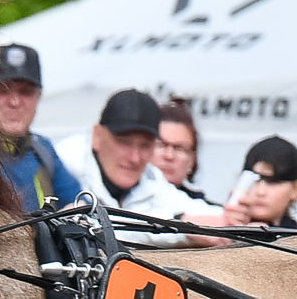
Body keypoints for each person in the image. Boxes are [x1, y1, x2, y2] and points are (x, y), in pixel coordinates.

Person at [57, 89, 230, 240]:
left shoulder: (151, 178)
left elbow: (195, 210)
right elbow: (93, 227)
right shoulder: (60, 163)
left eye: (145, 145)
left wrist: (237, 217)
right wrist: (181, 228)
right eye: (124, 142)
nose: (135, 157)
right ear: (97, 136)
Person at [0, 44, 83, 213]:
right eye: (2, 90)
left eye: (25, 92)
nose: (14, 102)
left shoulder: (42, 150)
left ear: (38, 97)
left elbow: (80, 201)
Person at [220, 135, 297, 232]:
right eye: (255, 180)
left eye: (274, 182)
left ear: (296, 189)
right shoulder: (215, 228)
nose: (261, 192)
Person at [154, 99, 209, 200]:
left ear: (192, 160)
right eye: (161, 145)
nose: (169, 156)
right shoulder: (118, 205)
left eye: (179, 149)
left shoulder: (206, 211)